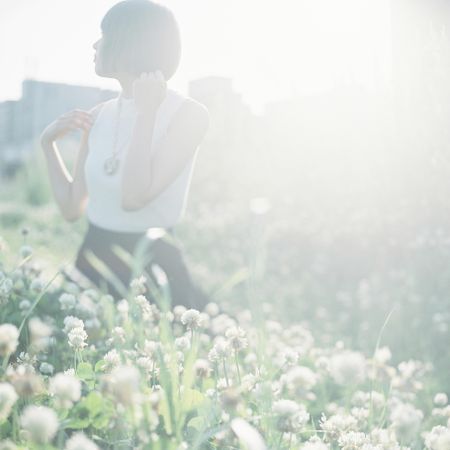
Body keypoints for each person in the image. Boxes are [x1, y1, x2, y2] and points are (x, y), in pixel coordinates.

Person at [39, 0, 211, 311]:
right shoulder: (98, 115)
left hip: (153, 261)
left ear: (131, 40)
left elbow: (134, 198)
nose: (95, 44)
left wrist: (146, 113)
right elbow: (71, 208)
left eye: (104, 34)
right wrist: (47, 145)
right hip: (93, 258)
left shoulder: (189, 114)